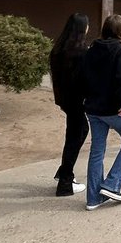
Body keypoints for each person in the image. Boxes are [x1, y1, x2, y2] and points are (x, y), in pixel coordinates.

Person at [81, 14, 121, 210]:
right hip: (113, 108)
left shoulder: (92, 49)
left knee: (97, 151)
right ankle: (112, 184)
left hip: (93, 108)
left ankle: (93, 198)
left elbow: (84, 77)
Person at [49, 13, 90, 196]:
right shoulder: (80, 52)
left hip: (65, 100)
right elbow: (85, 79)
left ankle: (64, 172)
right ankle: (66, 181)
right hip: (77, 101)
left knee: (76, 133)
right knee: (76, 135)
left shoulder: (58, 49)